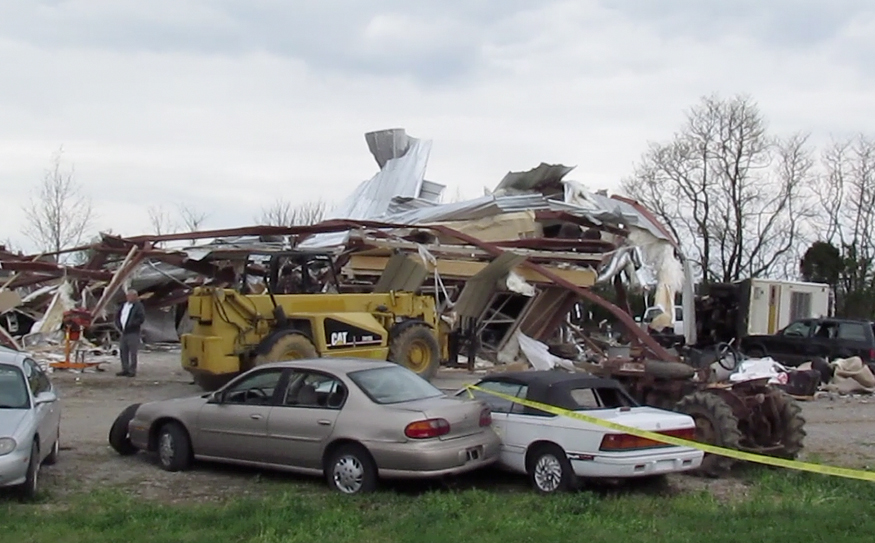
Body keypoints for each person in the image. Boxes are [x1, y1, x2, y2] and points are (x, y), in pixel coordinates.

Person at [115, 289, 145, 377]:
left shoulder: (138, 306)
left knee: (133, 352)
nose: (129, 297)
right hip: (123, 331)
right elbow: (118, 315)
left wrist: (132, 324)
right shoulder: (123, 305)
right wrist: (118, 324)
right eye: (128, 296)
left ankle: (132, 370)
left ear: (135, 296)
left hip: (133, 331)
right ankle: (125, 369)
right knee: (123, 350)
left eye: (131, 296)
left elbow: (141, 318)